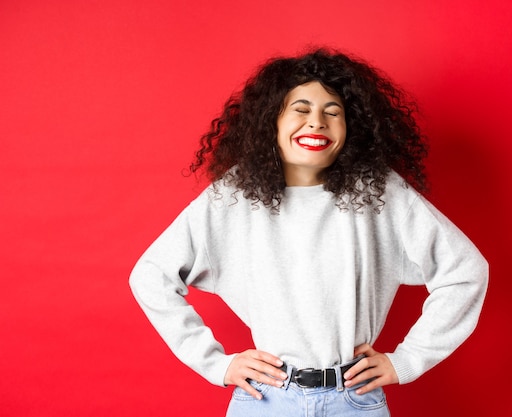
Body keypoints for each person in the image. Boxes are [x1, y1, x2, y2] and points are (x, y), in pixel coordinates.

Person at [129, 48, 488, 416]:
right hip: (266, 400)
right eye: (301, 109)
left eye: (333, 113)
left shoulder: (379, 193)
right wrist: (215, 363)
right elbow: (151, 276)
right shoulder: (233, 197)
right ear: (272, 121)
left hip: (354, 400)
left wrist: (408, 359)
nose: (317, 122)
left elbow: (465, 271)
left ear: (353, 128)